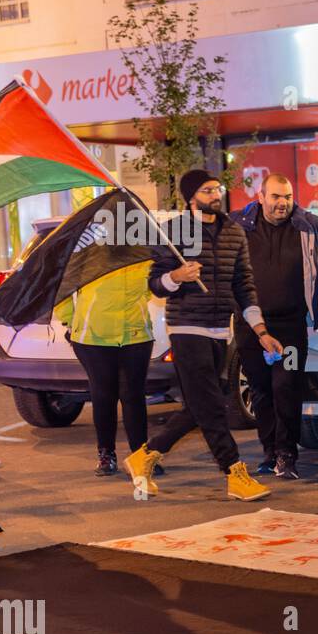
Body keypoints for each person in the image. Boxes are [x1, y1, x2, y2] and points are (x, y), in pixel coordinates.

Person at [124, 169, 282, 501]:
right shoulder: (173, 233)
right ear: (191, 196)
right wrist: (177, 276)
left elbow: (245, 287)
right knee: (211, 406)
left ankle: (145, 455)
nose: (215, 194)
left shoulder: (234, 233)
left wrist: (261, 331)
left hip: (219, 330)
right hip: (186, 328)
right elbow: (155, 284)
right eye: (207, 189)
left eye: (217, 188)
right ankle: (234, 472)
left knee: (201, 405)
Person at [230, 174, 318, 479]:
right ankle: (268, 453)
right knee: (261, 390)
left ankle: (286, 454)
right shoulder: (239, 226)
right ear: (261, 197)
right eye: (276, 197)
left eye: (288, 197)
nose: (283, 203)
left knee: (286, 386)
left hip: (290, 326)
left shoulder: (309, 225)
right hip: (251, 327)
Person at [55, 259, 153, 476]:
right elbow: (61, 289)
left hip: (136, 332)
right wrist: (70, 321)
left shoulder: (141, 251)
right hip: (93, 336)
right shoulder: (89, 251)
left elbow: (149, 288)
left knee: (133, 396)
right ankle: (106, 454)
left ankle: (140, 456)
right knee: (103, 395)